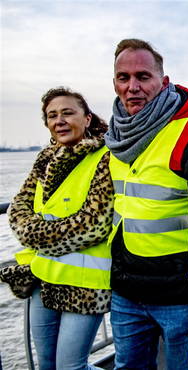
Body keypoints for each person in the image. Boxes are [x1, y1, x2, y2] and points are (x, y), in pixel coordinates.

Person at [105, 38, 188, 369]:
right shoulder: (115, 138)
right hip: (127, 293)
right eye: (123, 78)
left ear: (163, 82)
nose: (132, 87)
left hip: (181, 298)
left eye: (143, 77)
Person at [0, 87, 113, 369]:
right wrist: (38, 232)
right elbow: (18, 210)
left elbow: (94, 224)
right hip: (44, 278)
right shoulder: (45, 160)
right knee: (47, 365)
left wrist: (35, 234)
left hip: (85, 284)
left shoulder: (105, 157)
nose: (59, 120)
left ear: (87, 118)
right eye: (52, 115)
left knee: (70, 367)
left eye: (67, 113)